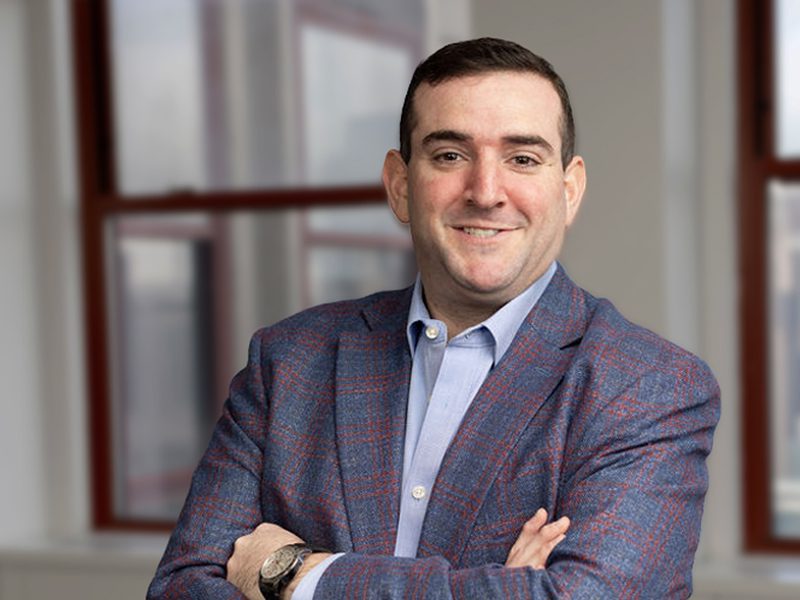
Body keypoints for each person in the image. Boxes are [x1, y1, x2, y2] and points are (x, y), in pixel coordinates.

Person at [147, 37, 719, 599]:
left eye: (522, 158)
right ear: (400, 185)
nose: (486, 191)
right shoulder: (289, 362)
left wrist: (296, 576)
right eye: (450, 155)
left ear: (568, 190)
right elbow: (180, 588)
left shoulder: (650, 388)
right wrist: (505, 587)